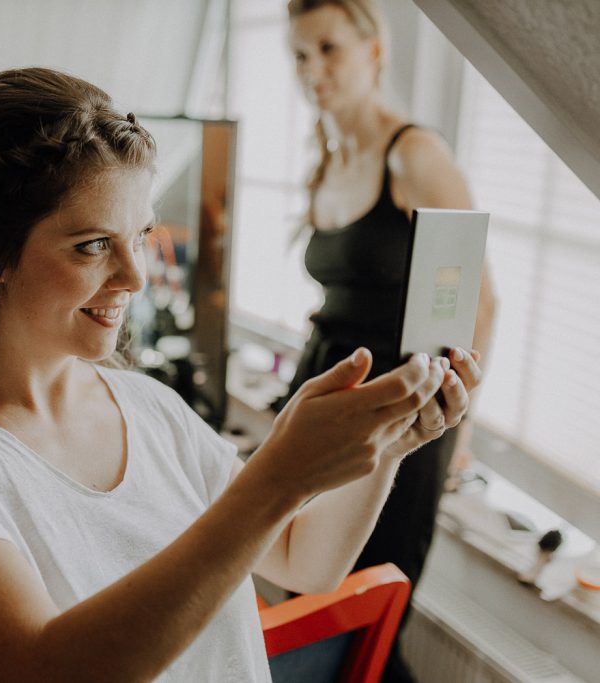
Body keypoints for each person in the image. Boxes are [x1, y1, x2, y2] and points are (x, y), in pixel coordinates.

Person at [0, 67, 482, 683]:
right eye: (93, 245)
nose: (135, 277)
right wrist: (276, 477)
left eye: (139, 236)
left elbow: (307, 559)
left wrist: (389, 446)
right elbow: (41, 670)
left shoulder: (148, 408)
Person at [280, 1, 497, 680]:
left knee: (359, 621)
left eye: (329, 48)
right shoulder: (329, 156)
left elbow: (480, 302)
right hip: (321, 402)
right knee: (305, 602)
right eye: (300, 55)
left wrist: (453, 434)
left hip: (395, 425)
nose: (314, 70)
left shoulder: (415, 153)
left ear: (375, 50)